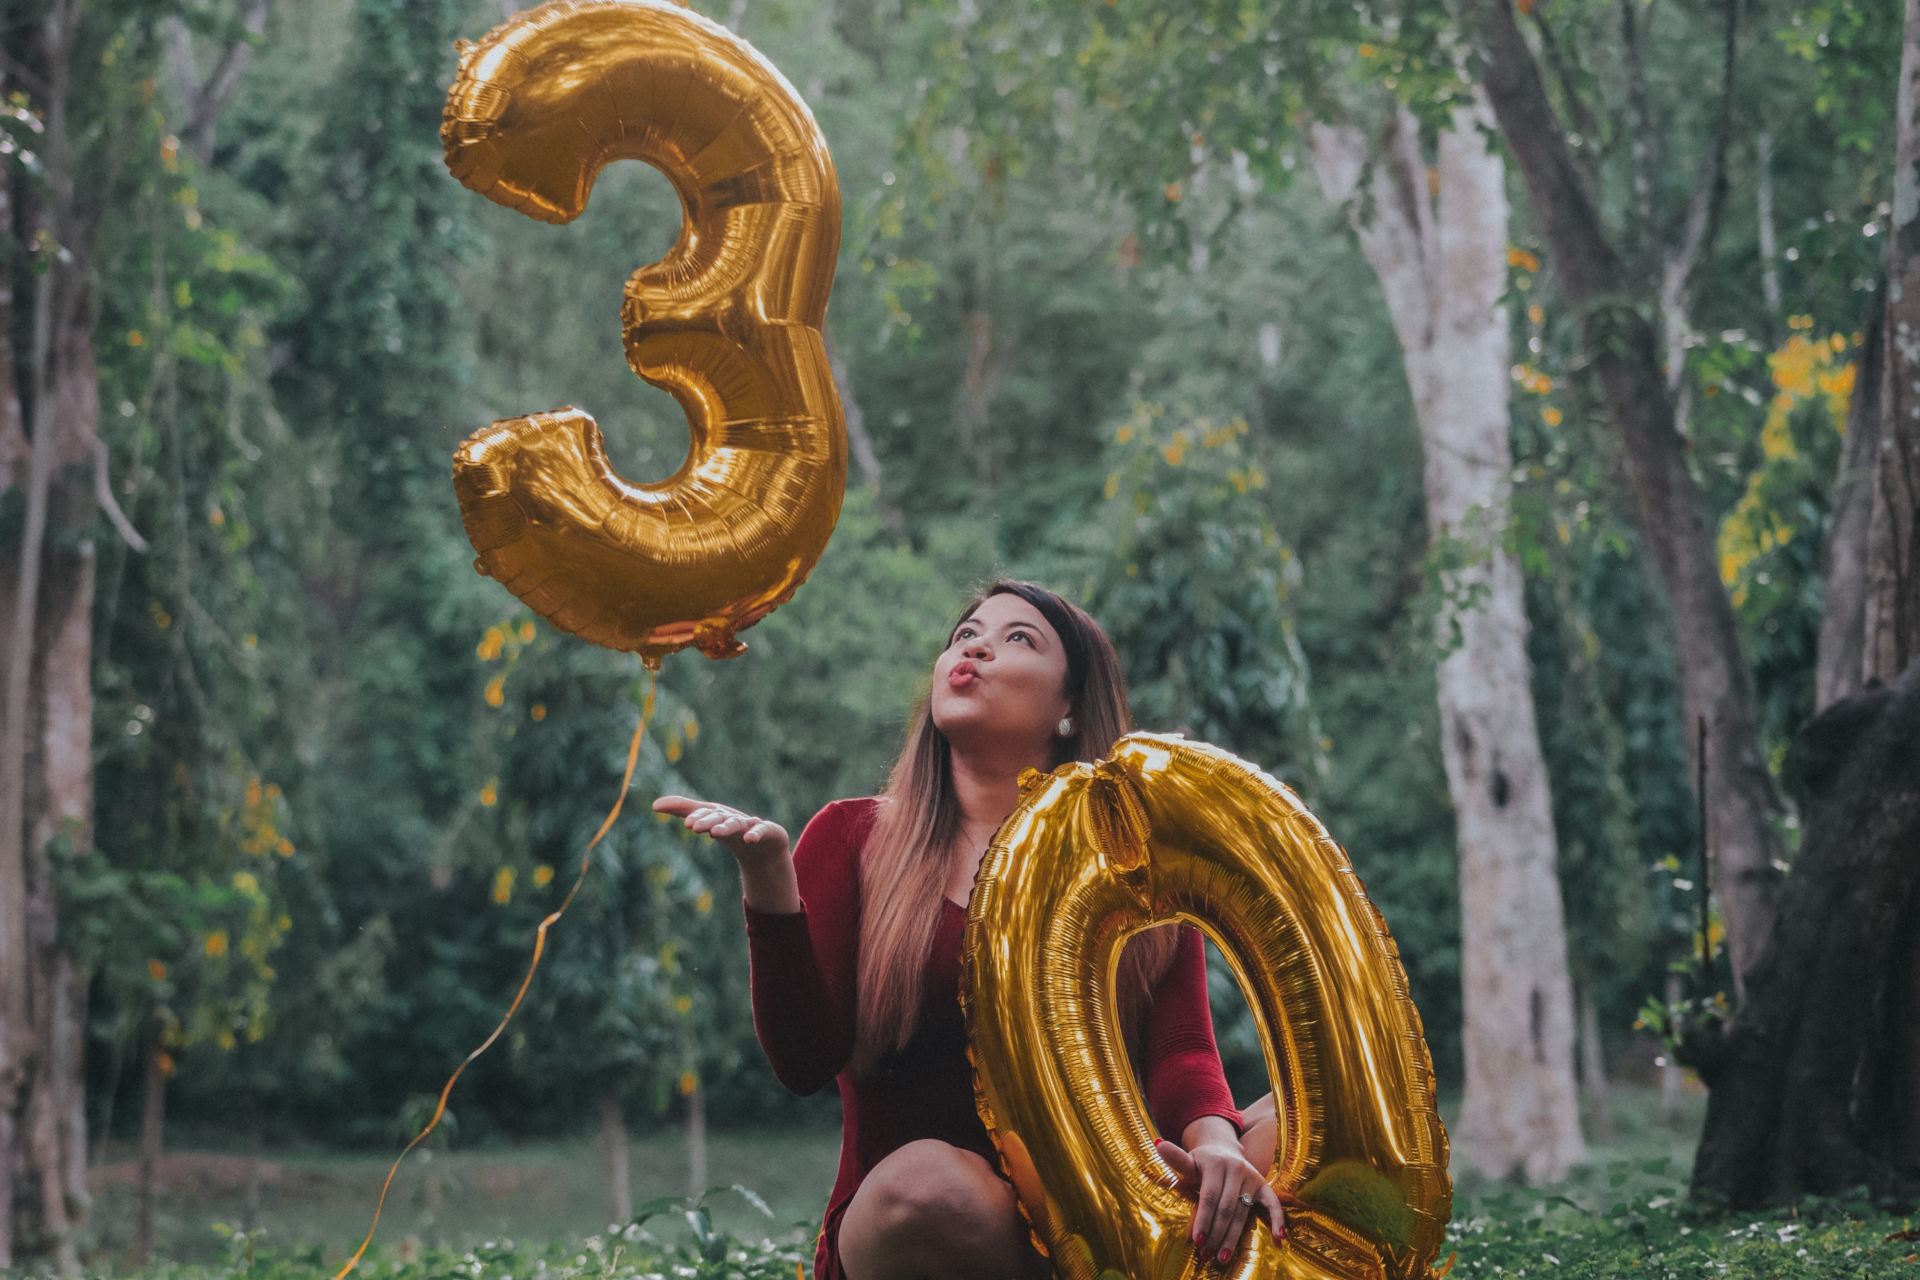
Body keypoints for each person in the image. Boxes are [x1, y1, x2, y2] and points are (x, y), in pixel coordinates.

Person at [654, 580, 1286, 1280]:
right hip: (922, 1229)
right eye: (965, 634)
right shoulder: (851, 838)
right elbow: (803, 1062)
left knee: (1291, 1128)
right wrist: (769, 883)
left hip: (1098, 1206)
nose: (976, 645)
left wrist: (1217, 1143)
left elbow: (1182, 1049)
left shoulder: (1132, 863)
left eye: (1020, 638)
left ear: (1069, 707)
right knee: (927, 1186)